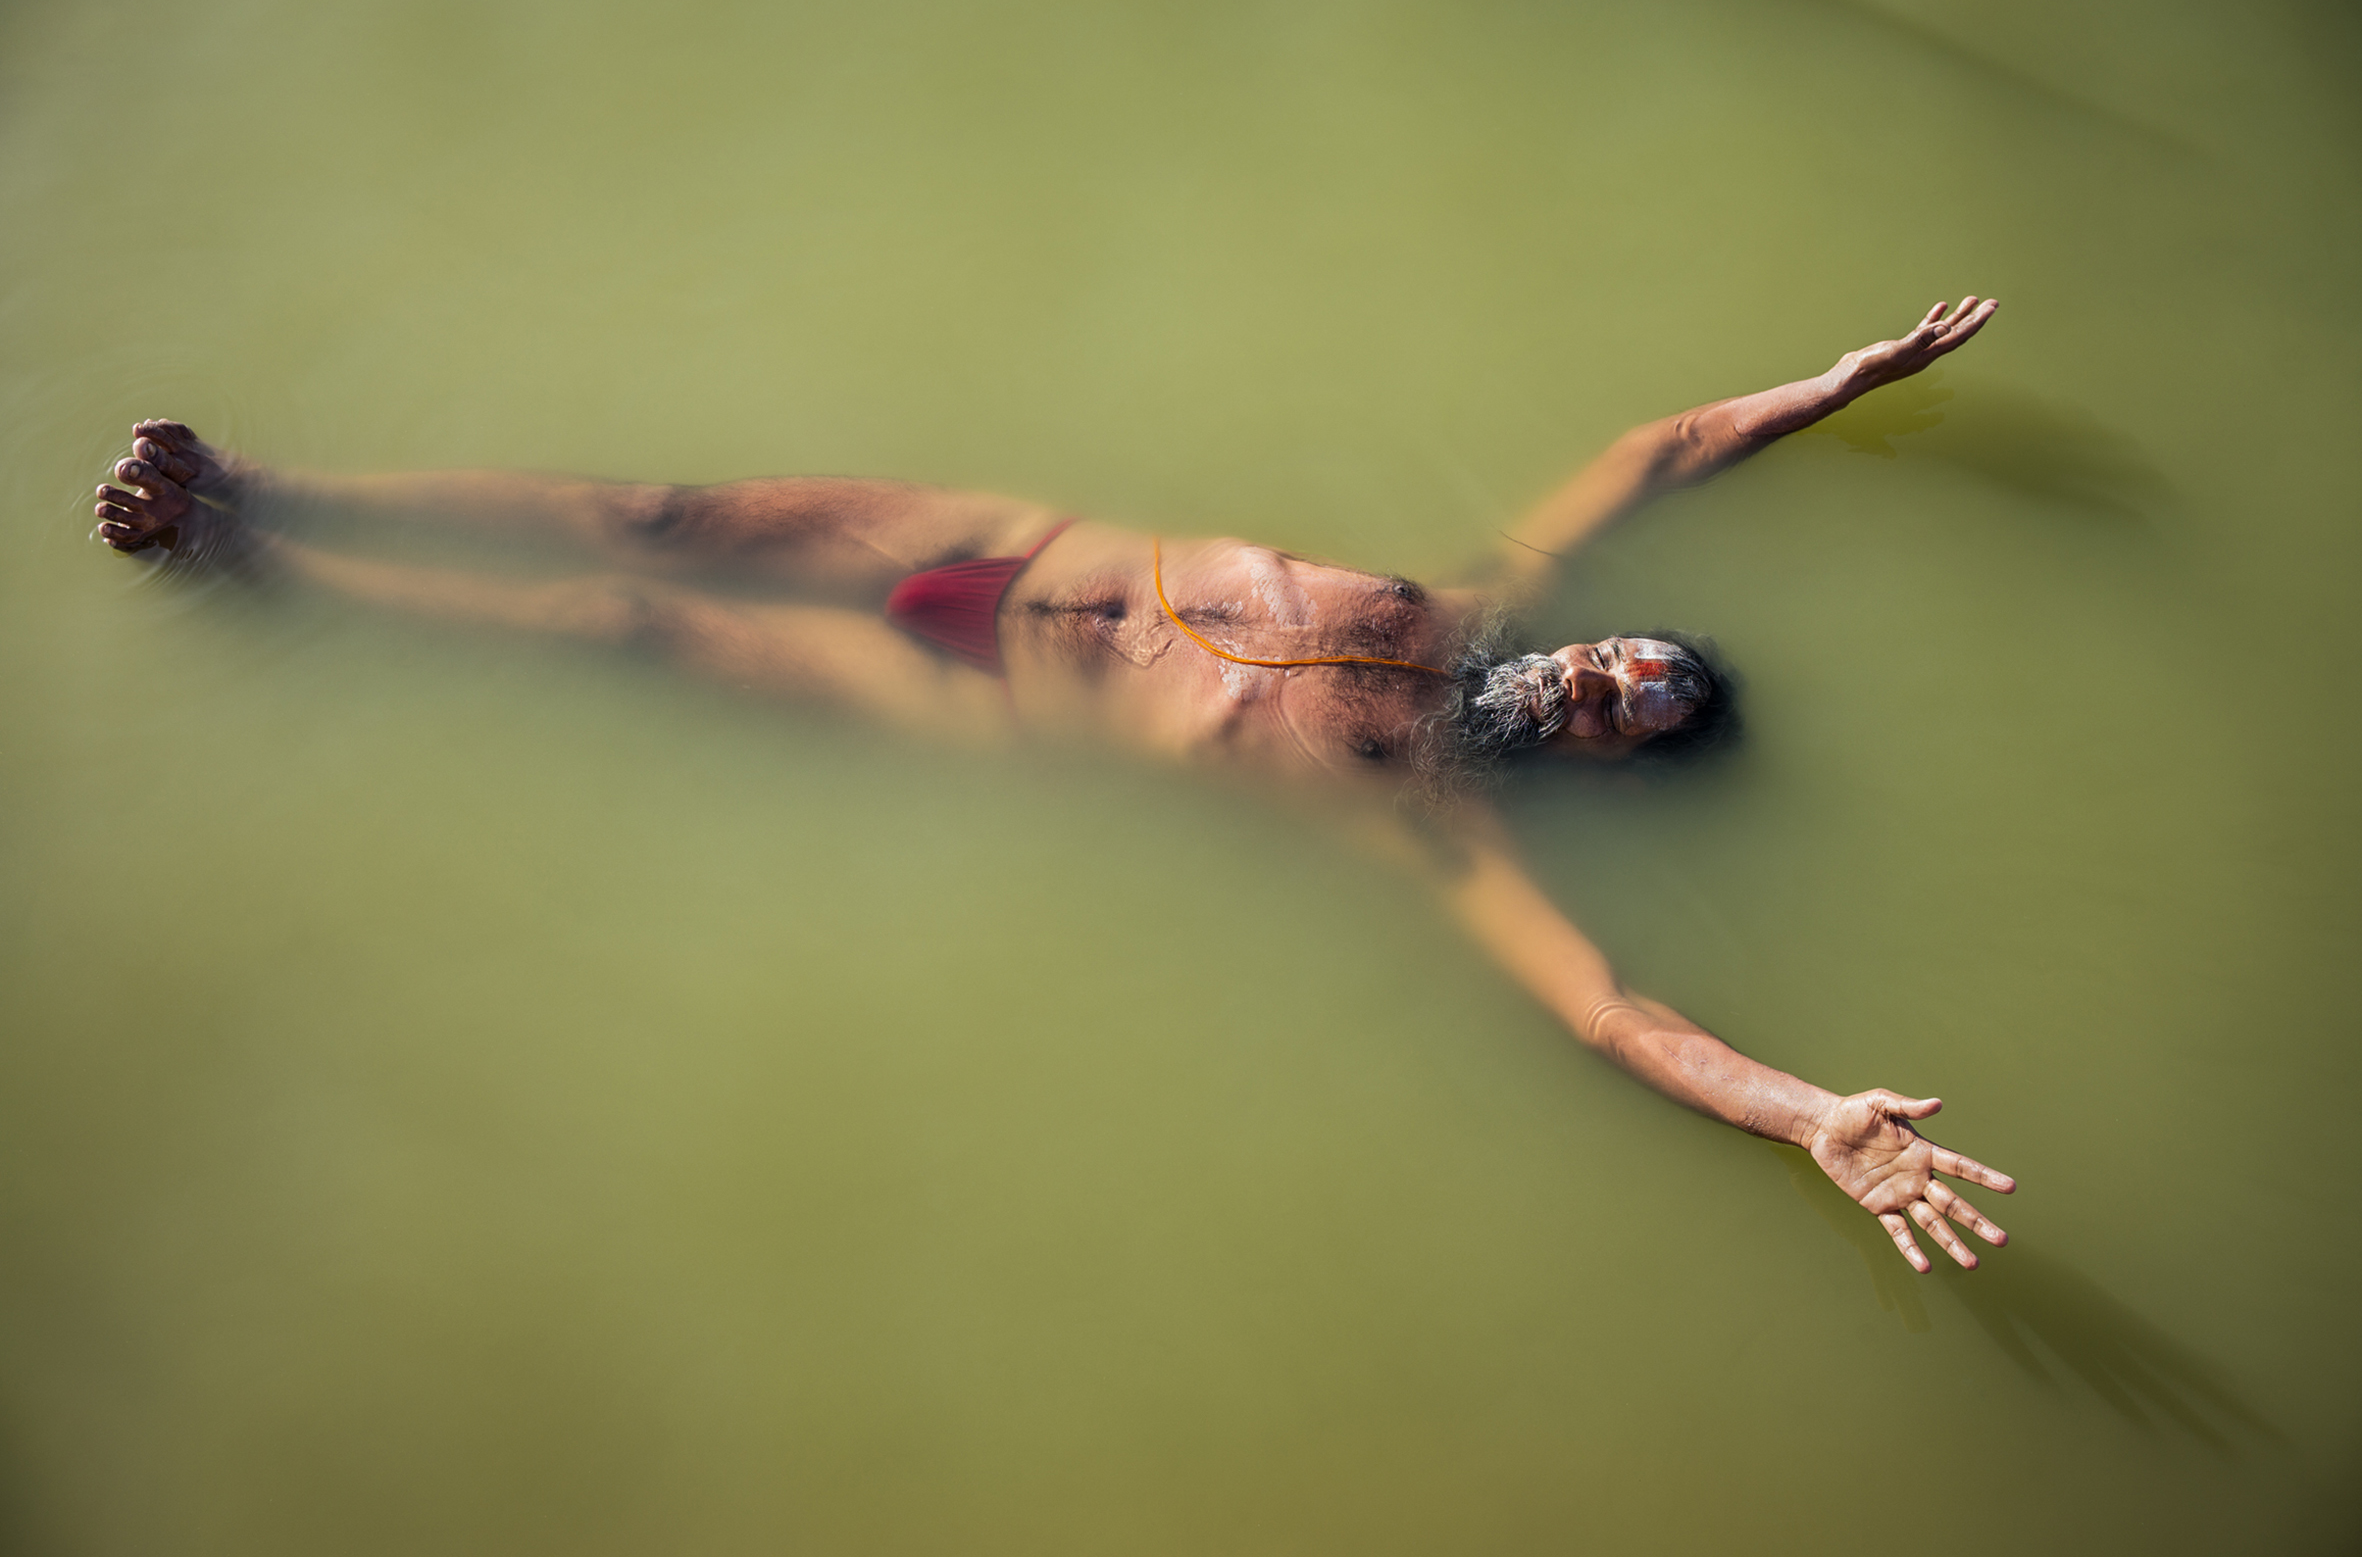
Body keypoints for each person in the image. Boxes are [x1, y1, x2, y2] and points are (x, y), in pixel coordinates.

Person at [94, 296, 2012, 1272]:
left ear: (1600, 765)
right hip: (997, 544)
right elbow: (1660, 447)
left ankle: (260, 572)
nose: (1605, 675)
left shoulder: (1440, 821)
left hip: (964, 698)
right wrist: (1828, 390)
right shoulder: (1493, 593)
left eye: (1629, 715)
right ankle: (270, 485)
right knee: (655, 513)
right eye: (1631, 657)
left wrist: (1800, 1117)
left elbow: (1604, 1008)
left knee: (628, 621)